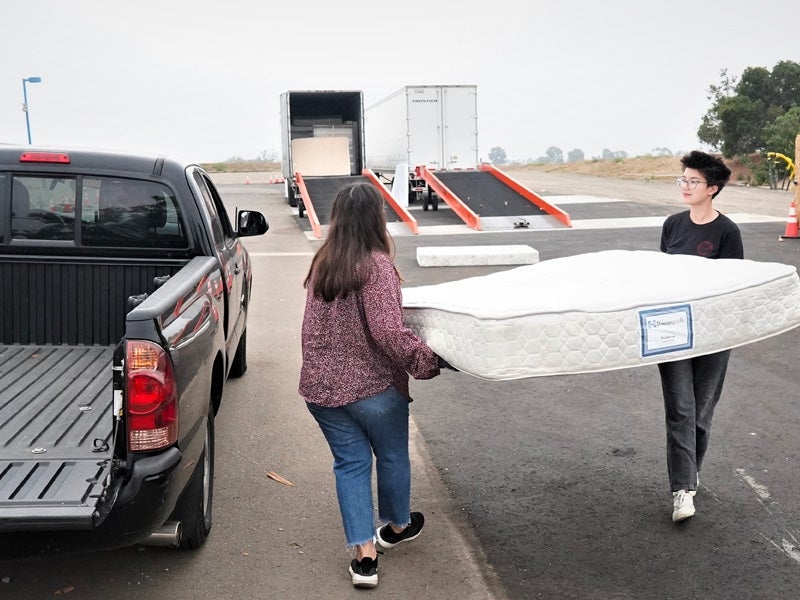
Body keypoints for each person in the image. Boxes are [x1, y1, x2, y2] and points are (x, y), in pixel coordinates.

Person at [298, 182, 444, 589]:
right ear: (376, 218)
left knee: (351, 464)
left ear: (338, 220)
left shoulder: (322, 264)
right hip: (373, 390)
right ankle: (397, 527)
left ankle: (365, 558)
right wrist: (426, 361)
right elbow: (387, 331)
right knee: (393, 455)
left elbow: (312, 331)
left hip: (322, 391)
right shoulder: (376, 266)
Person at [658, 150, 743, 522]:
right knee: (680, 409)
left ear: (712, 188)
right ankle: (682, 490)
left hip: (712, 333)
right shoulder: (673, 225)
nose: (685, 186)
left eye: (693, 181)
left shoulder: (728, 232)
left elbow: (735, 287)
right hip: (672, 331)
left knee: (701, 414)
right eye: (683, 179)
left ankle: (691, 474)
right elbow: (657, 280)